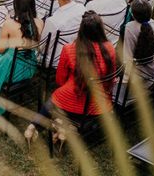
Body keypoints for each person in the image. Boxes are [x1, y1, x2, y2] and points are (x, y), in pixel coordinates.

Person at [23, 11, 116, 146]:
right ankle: (65, 129)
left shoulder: (69, 49)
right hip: (98, 107)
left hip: (69, 100)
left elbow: (60, 80)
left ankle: (33, 127)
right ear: (100, 30)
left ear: (81, 30)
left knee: (52, 102)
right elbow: (109, 80)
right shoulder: (110, 49)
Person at [40, 0, 85, 67]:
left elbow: (42, 48)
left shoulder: (52, 21)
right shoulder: (82, 9)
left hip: (56, 62)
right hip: (77, 55)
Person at [123, 0, 154, 84]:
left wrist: (125, 80)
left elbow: (128, 56)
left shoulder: (130, 27)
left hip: (139, 76)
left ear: (133, 15)